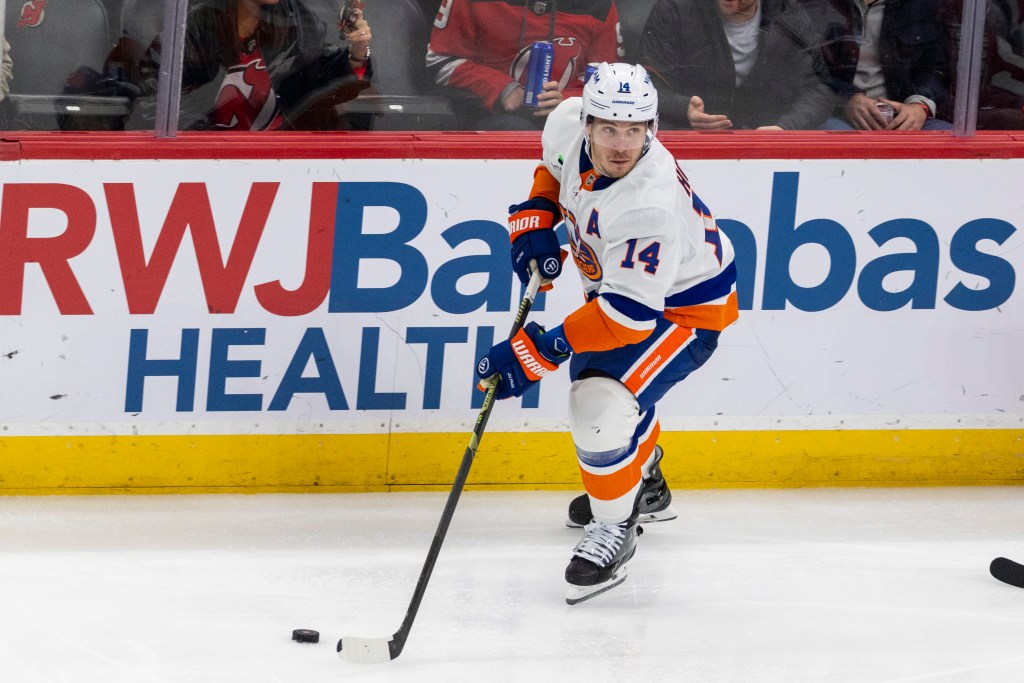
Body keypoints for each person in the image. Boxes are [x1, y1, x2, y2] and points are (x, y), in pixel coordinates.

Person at [475, 63, 739, 604]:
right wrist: (536, 214)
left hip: (685, 310)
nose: (622, 144)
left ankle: (616, 525)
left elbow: (627, 318)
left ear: (652, 129)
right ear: (588, 123)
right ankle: (644, 477)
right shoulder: (568, 122)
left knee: (597, 399)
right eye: (610, 129)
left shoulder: (648, 204)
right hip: (631, 295)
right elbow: (551, 167)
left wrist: (536, 351)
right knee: (608, 388)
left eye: (636, 130)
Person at [68, 0, 373, 130]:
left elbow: (314, 83)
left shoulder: (299, 21)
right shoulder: (193, 26)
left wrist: (356, 53)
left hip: (279, 165)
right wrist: (220, 151)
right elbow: (154, 107)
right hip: (208, 165)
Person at [425, 0, 622, 130]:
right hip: (489, 117)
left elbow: (605, 78)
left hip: (571, 123)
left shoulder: (600, 5)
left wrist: (568, 101)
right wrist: (503, 89)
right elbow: (440, 61)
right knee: (514, 128)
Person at [639, 0, 835, 130]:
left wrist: (785, 127)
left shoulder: (788, 14)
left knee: (837, 133)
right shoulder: (675, 9)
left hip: (766, 132)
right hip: (689, 131)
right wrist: (682, 108)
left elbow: (819, 88)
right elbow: (646, 83)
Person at [798, 0, 954, 130]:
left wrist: (919, 106)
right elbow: (805, 71)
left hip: (903, 114)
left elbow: (934, 67)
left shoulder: (919, 6)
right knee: (831, 142)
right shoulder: (819, 7)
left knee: (949, 141)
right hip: (837, 115)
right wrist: (846, 98)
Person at [939, 0, 1024, 129]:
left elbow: (998, 59)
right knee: (1010, 119)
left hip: (979, 92)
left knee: (1017, 104)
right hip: (946, 99)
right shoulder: (941, 13)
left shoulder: (986, 12)